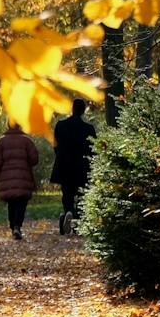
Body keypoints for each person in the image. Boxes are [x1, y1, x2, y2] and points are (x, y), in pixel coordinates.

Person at [52, 99, 98, 237]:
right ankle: (78, 218)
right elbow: (93, 149)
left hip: (65, 166)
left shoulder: (60, 126)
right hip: (82, 167)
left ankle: (68, 212)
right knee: (82, 194)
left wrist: (61, 156)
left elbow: (56, 146)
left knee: (67, 193)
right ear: (83, 110)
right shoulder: (89, 129)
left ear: (72, 109)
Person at [0, 123, 40, 241]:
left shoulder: (1, 142)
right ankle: (17, 226)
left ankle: (13, 227)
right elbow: (34, 159)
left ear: (8, 125)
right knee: (21, 203)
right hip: (23, 176)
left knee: (11, 203)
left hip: (6, 178)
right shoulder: (27, 141)